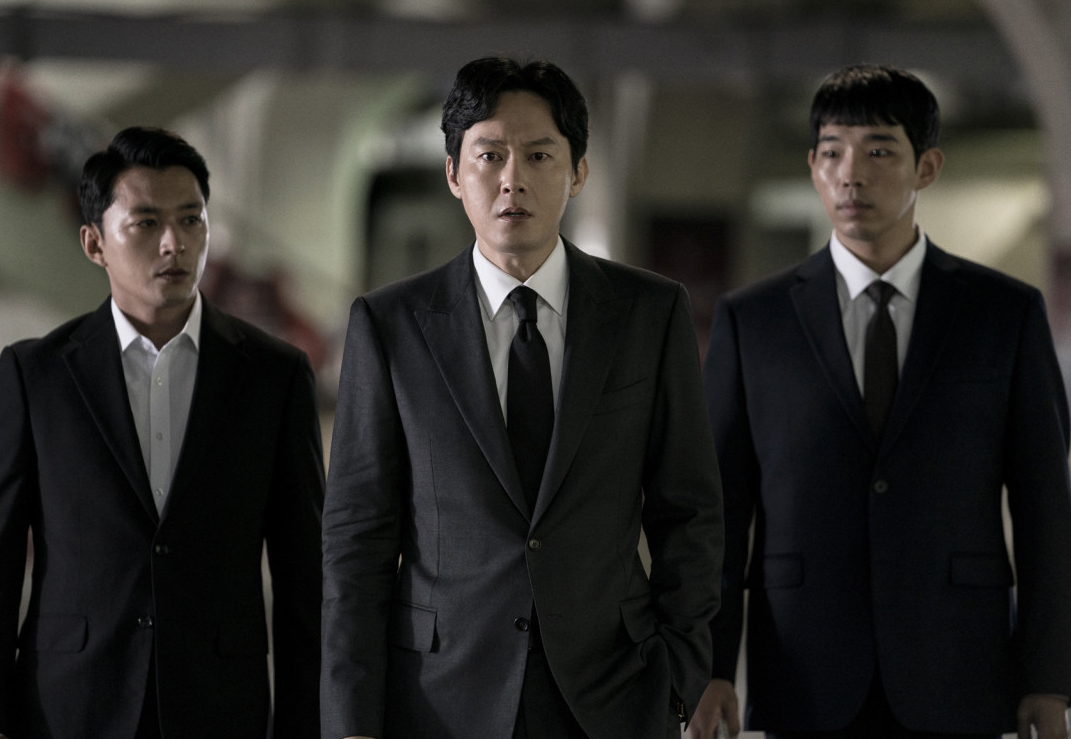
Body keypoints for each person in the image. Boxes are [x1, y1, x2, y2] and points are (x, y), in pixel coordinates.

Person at [320, 55, 724, 739]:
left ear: (578, 172)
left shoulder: (648, 313)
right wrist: (352, 720)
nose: (513, 179)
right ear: (454, 174)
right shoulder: (390, 326)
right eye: (489, 156)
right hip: (440, 698)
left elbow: (689, 510)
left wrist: (678, 675)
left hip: (614, 692)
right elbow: (357, 538)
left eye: (539, 155)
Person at [690, 63, 1071, 739]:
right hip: (803, 669)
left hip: (958, 667)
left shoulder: (1003, 314)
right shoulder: (754, 321)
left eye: (878, 152)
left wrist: (1047, 676)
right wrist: (711, 666)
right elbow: (717, 513)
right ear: (813, 168)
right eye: (832, 153)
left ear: (926, 167)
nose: (850, 175)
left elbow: (1046, 509)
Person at [0, 127, 325, 738]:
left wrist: (303, 725)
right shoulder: (35, 376)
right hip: (69, 708)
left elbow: (304, 575)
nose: (174, 242)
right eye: (146, 223)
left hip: (218, 707)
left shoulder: (274, 376)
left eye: (190, 220)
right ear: (94, 243)